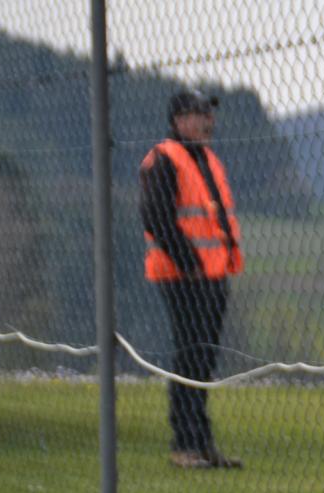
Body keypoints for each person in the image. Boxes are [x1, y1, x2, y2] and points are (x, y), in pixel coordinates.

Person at [141, 89, 243, 469]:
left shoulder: (207, 160)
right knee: (190, 355)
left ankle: (201, 443)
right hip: (183, 277)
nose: (208, 121)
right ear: (179, 120)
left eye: (208, 114)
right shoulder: (164, 159)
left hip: (213, 275)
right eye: (200, 114)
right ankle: (184, 444)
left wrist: (222, 261)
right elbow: (156, 217)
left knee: (204, 358)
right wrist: (190, 263)